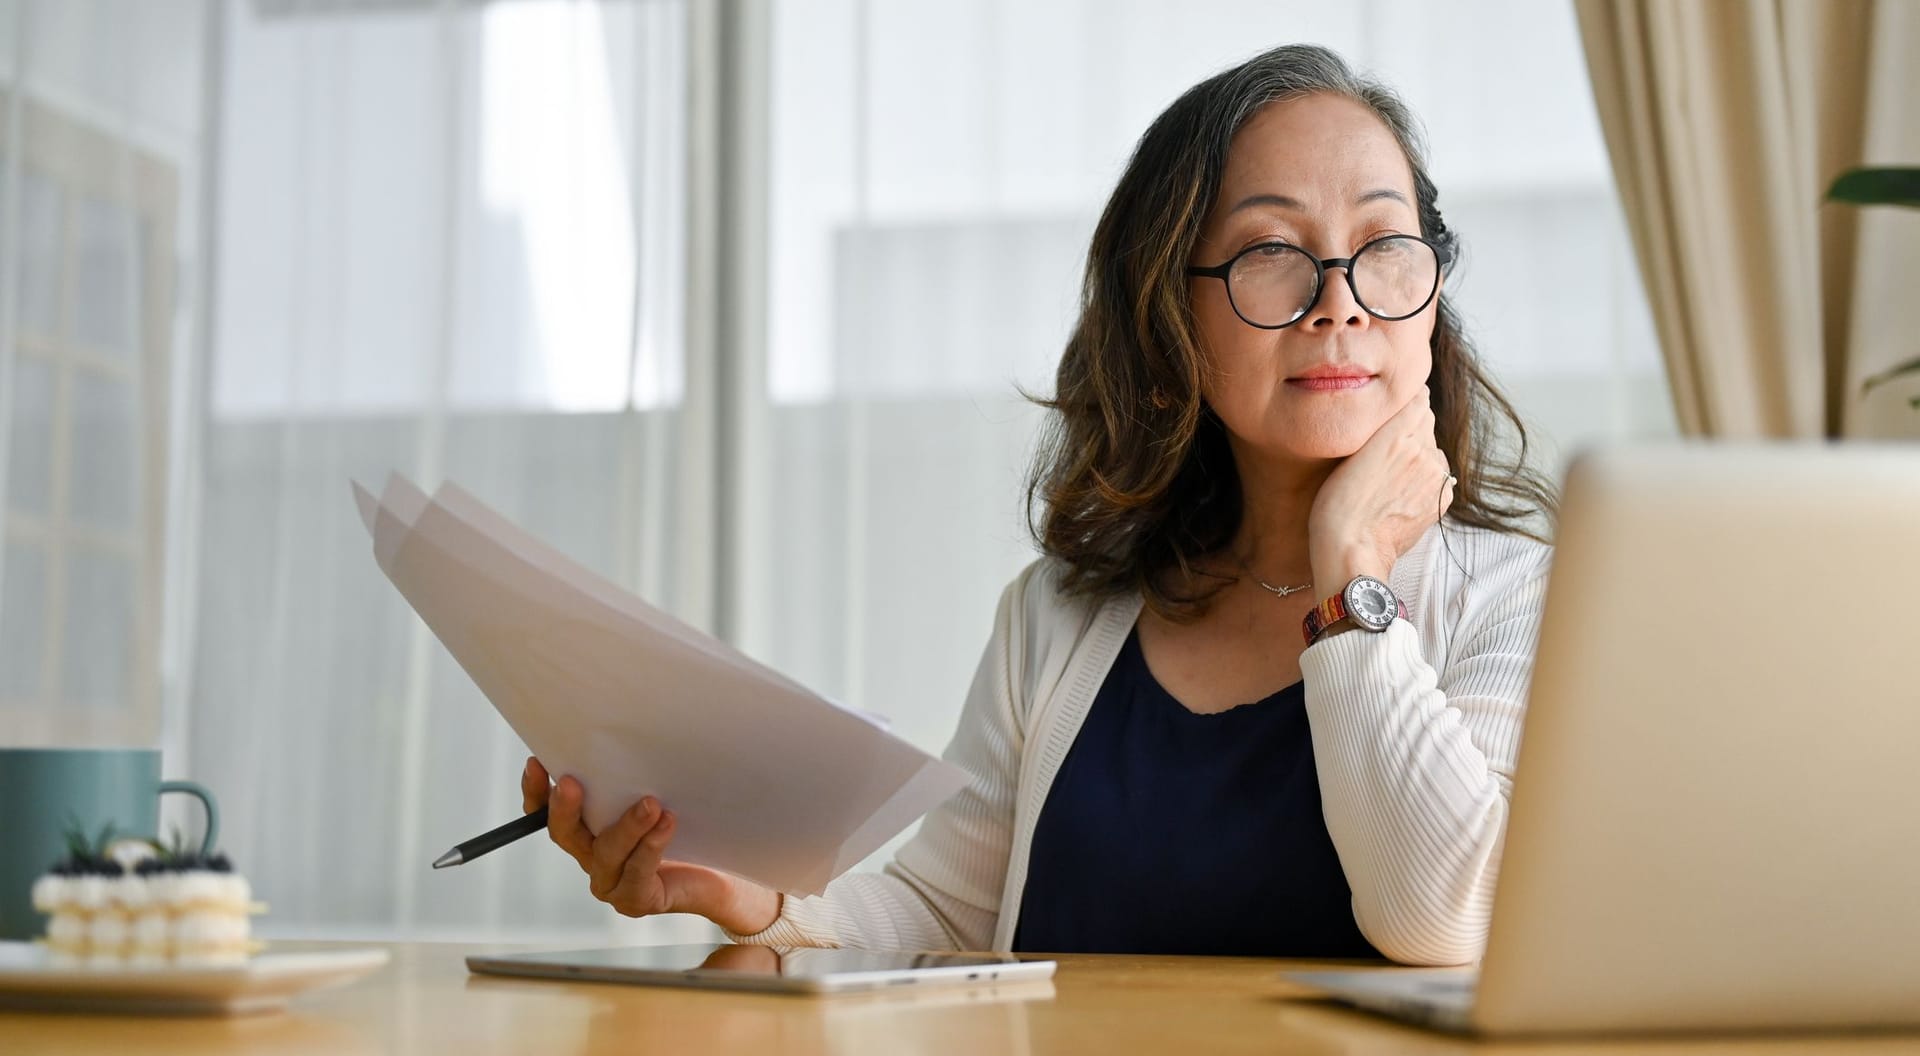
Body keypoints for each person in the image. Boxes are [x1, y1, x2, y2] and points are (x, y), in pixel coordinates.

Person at [518, 43, 1556, 966]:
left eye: (1383, 246)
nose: (1339, 297)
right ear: (1172, 320)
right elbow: (942, 911)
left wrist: (1352, 576)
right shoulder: (1055, 616)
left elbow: (1443, 919)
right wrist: (758, 902)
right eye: (1271, 254)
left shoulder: (1517, 598)